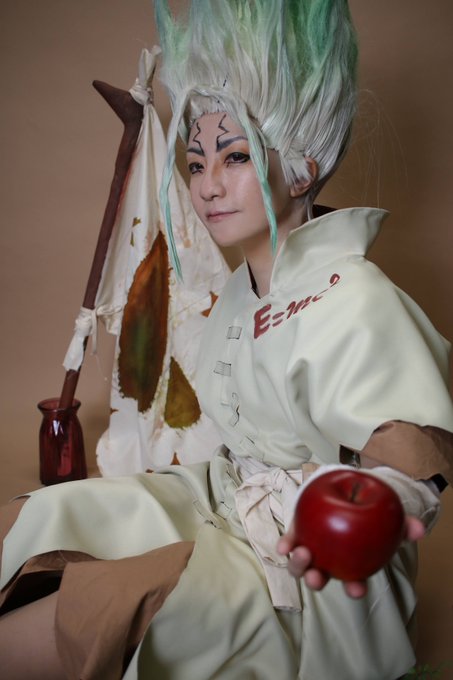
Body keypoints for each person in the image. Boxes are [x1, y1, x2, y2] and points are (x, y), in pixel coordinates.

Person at [1, 1, 453, 679]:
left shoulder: (356, 296)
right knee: (45, 518)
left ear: (298, 169)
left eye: (234, 156)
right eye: (194, 162)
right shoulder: (240, 289)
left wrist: (380, 503)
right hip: (224, 496)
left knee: (112, 606)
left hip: (307, 565)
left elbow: (412, 457)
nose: (207, 185)